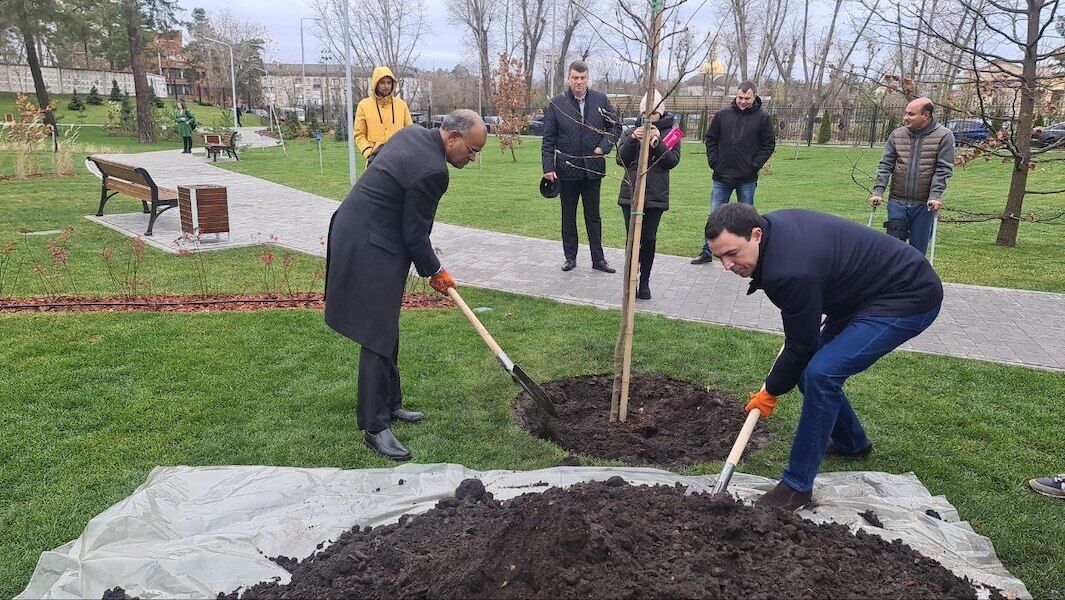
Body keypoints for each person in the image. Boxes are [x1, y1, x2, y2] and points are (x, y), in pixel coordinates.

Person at [705, 204, 943, 511]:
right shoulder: (775, 235)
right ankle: (851, 442)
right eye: (719, 256)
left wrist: (770, 392)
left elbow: (800, 345)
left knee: (821, 373)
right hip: (858, 294)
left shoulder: (789, 269)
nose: (727, 265)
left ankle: (796, 487)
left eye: (732, 253)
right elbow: (801, 341)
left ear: (756, 234)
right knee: (809, 372)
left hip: (906, 294)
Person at [324, 109, 487, 461]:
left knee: (386, 328)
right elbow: (416, 235)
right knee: (376, 334)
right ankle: (375, 426)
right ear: (453, 137)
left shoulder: (411, 133)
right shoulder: (433, 171)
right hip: (370, 244)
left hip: (359, 229)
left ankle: (391, 402)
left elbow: (378, 165)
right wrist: (436, 272)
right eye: (472, 150)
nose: (472, 159)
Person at [542, 60, 622, 273]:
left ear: (588, 78)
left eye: (583, 78)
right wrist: (548, 167)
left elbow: (615, 127)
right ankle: (570, 257)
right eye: (575, 78)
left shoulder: (600, 100)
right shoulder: (558, 103)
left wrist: (603, 148)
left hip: (592, 169)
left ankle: (599, 259)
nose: (579, 82)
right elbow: (548, 138)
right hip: (566, 169)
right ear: (569, 78)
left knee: (593, 216)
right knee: (568, 216)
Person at [691, 81, 775, 265]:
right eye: (740, 98)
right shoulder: (723, 115)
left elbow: (769, 145)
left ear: (754, 97)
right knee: (714, 215)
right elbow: (711, 139)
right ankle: (707, 251)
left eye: (747, 98)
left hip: (747, 178)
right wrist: (714, 162)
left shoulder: (763, 117)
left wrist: (755, 165)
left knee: (748, 218)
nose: (743, 101)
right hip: (722, 176)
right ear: (735, 96)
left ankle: (749, 253)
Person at [616, 90, 681, 300]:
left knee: (649, 239)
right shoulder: (630, 130)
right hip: (631, 193)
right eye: (645, 112)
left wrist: (657, 143)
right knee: (632, 239)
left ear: (660, 113)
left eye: (653, 113)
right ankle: (630, 281)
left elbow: (671, 162)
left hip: (655, 195)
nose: (648, 117)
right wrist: (634, 140)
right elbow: (620, 159)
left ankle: (645, 282)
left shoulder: (672, 132)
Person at [870, 97, 955, 256]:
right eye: (905, 113)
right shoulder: (897, 135)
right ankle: (892, 280)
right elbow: (885, 165)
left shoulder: (944, 136)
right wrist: (878, 191)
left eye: (911, 114)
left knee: (917, 252)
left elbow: (943, 169)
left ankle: (914, 280)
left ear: (926, 115)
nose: (905, 117)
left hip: (924, 205)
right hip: (897, 202)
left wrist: (935, 195)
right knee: (893, 249)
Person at [354, 66, 414, 164]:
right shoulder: (364, 105)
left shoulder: (401, 105)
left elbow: (410, 133)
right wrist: (369, 153)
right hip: (375, 160)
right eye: (382, 82)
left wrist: (406, 152)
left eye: (389, 82)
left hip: (399, 160)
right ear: (376, 83)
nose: (386, 86)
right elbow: (359, 134)